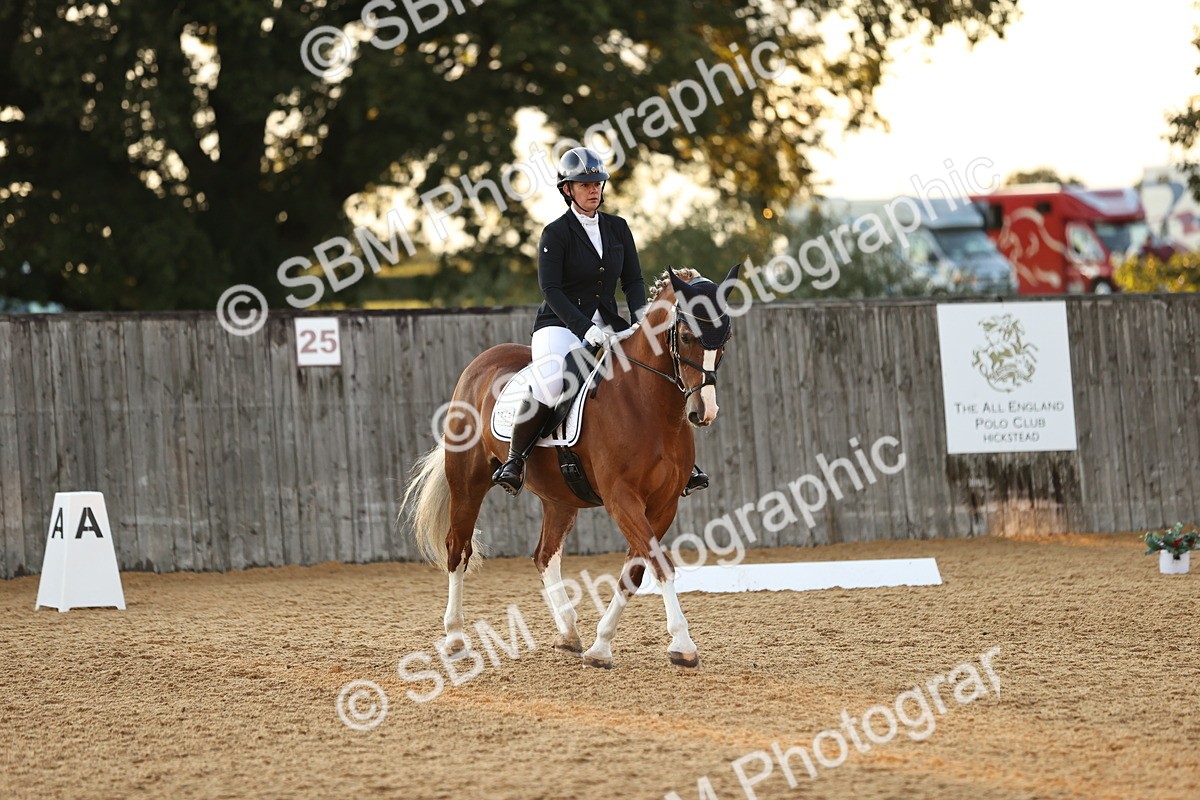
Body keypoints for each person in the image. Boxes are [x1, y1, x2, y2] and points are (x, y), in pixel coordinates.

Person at [491, 146, 710, 497]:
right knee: (550, 383)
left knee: (648, 377)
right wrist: (584, 329)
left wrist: (641, 323)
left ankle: (679, 463)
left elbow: (633, 281)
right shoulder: (555, 234)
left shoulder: (618, 229)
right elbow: (551, 289)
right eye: (584, 184)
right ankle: (515, 460)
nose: (593, 189)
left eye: (597, 183)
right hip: (560, 325)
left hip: (610, 322)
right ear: (567, 189)